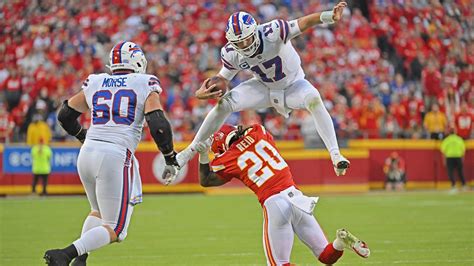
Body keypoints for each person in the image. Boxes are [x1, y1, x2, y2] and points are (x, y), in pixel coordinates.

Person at [169, 2, 350, 182]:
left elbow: (303, 22)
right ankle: (189, 152)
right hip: (263, 86)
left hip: (293, 84)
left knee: (313, 99)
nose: (244, 44)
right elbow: (223, 79)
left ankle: (335, 155)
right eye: (239, 42)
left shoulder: (273, 31)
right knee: (225, 103)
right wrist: (202, 91)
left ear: (255, 31)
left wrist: (328, 16)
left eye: (246, 39)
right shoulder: (231, 52)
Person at [43, 41, 180, 266]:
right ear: (137, 61)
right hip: (115, 154)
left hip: (87, 153)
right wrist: (169, 156)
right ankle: (65, 254)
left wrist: (82, 136)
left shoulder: (96, 81)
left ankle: (80, 260)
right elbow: (158, 124)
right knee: (116, 229)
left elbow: (65, 115)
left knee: (97, 212)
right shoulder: (144, 82)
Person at [196, 124, 370, 265]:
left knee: (278, 264)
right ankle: (341, 242)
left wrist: (203, 154)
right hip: (297, 197)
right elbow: (251, 134)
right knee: (326, 255)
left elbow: (206, 181)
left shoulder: (227, 158)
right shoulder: (259, 131)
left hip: (274, 202)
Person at [440, 128, 467, 193]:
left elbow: (443, 151)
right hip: (458, 156)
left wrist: (444, 160)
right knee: (460, 172)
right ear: (455, 132)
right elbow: (463, 150)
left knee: (450, 172)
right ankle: (463, 185)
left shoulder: (447, 140)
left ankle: (453, 185)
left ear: (449, 133)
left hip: (449, 157)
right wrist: (462, 158)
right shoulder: (459, 139)